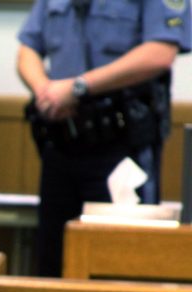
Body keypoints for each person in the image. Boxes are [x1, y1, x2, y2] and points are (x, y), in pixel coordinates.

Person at [17, 0, 191, 277]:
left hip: (122, 148)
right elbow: (28, 48)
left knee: (122, 262)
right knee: (53, 262)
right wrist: (45, 92)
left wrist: (79, 87)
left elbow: (160, 52)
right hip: (61, 142)